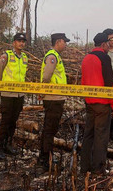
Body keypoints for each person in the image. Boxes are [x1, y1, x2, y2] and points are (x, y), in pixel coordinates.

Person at [80, 32, 113, 176]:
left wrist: (86, 99)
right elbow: (110, 83)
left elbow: (83, 81)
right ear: (103, 44)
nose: (110, 46)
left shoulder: (86, 58)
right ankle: (98, 169)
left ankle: (84, 167)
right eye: (108, 43)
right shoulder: (104, 58)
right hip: (102, 104)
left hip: (89, 103)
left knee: (88, 135)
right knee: (101, 136)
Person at [37, 32, 70, 172]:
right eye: (64, 42)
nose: (66, 44)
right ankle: (46, 159)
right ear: (58, 41)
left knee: (49, 128)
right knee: (50, 129)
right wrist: (43, 91)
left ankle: (44, 155)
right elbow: (46, 76)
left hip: (56, 97)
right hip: (53, 98)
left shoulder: (56, 56)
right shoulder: (52, 57)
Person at [0, 32, 28, 160]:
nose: (21, 43)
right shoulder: (6, 56)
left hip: (19, 95)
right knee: (5, 121)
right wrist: (0, 88)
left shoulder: (24, 57)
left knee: (13, 121)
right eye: (19, 41)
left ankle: (8, 145)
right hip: (8, 94)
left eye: (23, 41)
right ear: (14, 43)